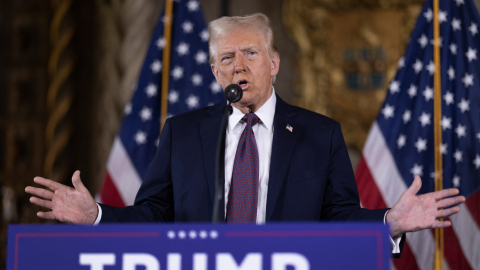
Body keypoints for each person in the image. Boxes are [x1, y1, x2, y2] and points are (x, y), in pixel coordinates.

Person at [26, 13, 465, 256]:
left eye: (251, 53)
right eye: (227, 58)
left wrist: (390, 222)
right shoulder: (183, 133)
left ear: (273, 63)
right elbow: (154, 216)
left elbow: (339, 219)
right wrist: (97, 217)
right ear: (216, 73)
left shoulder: (319, 133)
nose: (240, 65)